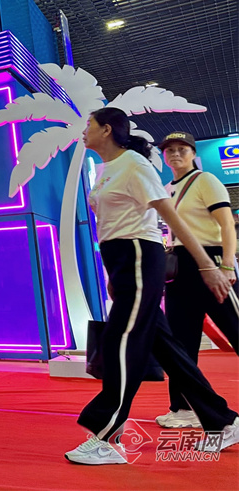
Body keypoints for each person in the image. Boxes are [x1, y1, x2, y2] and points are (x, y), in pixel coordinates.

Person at [65, 107, 239, 464]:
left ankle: (106, 435)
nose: (84, 131)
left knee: (121, 342)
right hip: (122, 262)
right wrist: (113, 276)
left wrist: (210, 266)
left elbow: (170, 218)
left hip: (140, 257)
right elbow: (111, 224)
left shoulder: (135, 165)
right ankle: (222, 420)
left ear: (107, 129)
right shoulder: (108, 168)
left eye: (89, 125)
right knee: (168, 348)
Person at [155, 131, 238, 428]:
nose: (175, 154)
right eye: (170, 150)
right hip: (180, 269)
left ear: (193, 153)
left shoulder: (205, 180)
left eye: (182, 149)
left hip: (212, 262)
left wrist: (227, 265)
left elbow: (226, 224)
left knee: (236, 329)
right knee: (180, 344)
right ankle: (183, 407)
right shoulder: (168, 189)